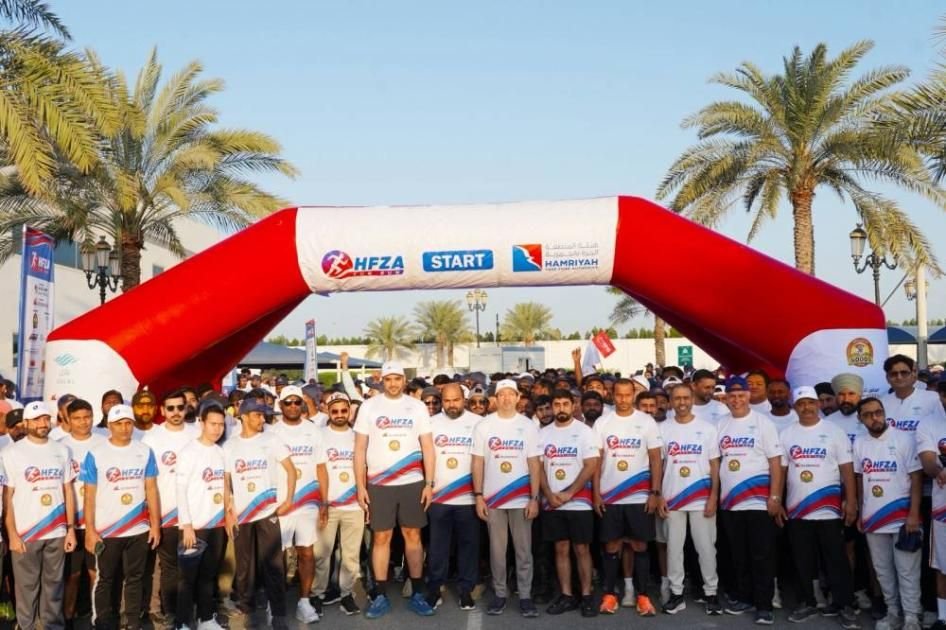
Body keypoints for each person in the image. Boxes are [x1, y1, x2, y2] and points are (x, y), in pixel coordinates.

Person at [353, 362, 436, 619]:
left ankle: (418, 593)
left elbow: (428, 447)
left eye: (397, 379)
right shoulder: (369, 407)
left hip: (412, 482)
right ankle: (379, 595)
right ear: (382, 381)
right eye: (388, 379)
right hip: (379, 484)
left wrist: (429, 483)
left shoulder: (417, 406)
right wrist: (360, 485)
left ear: (404, 380)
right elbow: (359, 449)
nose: (392, 383)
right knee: (381, 538)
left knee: (413, 536)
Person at [779, 386, 859, 628]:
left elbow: (847, 470)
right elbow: (781, 471)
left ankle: (844, 604)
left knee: (836, 558)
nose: (806, 407)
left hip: (829, 509)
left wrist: (851, 501)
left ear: (818, 404)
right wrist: (778, 501)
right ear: (795, 407)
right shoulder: (786, 434)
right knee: (802, 560)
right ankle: (808, 602)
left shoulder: (834, 431)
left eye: (810, 402)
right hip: (797, 509)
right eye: (801, 403)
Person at [82, 404, 161, 630]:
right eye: (119, 424)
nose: (124, 428)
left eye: (128, 423)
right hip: (107, 531)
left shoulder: (144, 451)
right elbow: (89, 496)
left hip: (138, 529)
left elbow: (151, 489)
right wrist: (90, 530)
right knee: (106, 578)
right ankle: (103, 623)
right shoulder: (96, 453)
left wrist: (155, 525)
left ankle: (133, 622)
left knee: (135, 578)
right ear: (109, 425)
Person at [2, 401, 77, 630]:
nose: (42, 424)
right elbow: (7, 498)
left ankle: (52, 625)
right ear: (26, 423)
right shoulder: (11, 453)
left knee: (54, 586)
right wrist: (12, 535)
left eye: (45, 418)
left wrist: (70, 529)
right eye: (36, 420)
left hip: (57, 531)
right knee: (26, 587)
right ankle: (27, 625)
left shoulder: (62, 450)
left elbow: (68, 491)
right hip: (26, 533)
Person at [593, 378, 664, 617]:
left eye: (627, 394)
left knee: (639, 545)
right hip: (610, 496)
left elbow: (656, 459)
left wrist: (655, 492)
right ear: (612, 395)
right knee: (611, 546)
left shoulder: (646, 421)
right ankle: (610, 595)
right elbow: (596, 461)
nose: (623, 399)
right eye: (619, 395)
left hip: (639, 496)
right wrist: (596, 494)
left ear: (633, 395)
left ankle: (642, 596)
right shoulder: (603, 422)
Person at [222, 397, 296, 630]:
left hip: (267, 512)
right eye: (257, 415)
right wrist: (228, 511)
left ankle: (279, 614)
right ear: (243, 417)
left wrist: (288, 501)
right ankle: (249, 610)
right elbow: (226, 481)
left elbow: (291, 471)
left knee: (274, 565)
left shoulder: (271, 440)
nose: (262, 419)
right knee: (245, 567)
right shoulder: (230, 446)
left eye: (263, 415)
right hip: (242, 515)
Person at [472, 379, 542, 617]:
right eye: (502, 394)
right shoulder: (484, 425)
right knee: (497, 551)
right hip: (493, 499)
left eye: (511, 394)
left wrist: (534, 497)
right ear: (496, 398)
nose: (506, 399)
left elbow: (534, 463)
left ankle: (525, 596)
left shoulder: (528, 425)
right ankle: (500, 594)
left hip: (522, 498)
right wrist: (479, 496)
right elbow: (478, 462)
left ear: (518, 397)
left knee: (523, 551)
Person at [716, 375, 783, 625]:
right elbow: (716, 462)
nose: (736, 400)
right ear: (726, 398)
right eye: (731, 396)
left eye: (740, 395)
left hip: (758, 500)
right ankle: (744, 598)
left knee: (761, 554)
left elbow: (775, 462)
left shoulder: (763, 423)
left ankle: (764, 605)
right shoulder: (721, 424)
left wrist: (775, 496)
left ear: (748, 396)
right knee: (738, 554)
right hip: (730, 502)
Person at [854, 396, 923, 630]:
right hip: (873, 518)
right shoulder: (859, 443)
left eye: (878, 412)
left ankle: (912, 617)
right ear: (860, 419)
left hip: (903, 518)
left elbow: (916, 477)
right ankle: (893, 613)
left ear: (884, 413)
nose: (874, 418)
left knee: (907, 571)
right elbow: (860, 479)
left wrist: (914, 514)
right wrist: (861, 513)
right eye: (867, 415)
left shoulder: (904, 439)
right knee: (883, 571)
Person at [659, 383, 721, 615]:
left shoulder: (707, 429)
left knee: (706, 548)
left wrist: (714, 496)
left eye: (686, 398)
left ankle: (711, 593)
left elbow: (715, 466)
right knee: (674, 549)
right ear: (671, 401)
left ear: (692, 399)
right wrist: (659, 495)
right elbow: (660, 465)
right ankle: (677, 594)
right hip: (672, 498)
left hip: (701, 498)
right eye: (677, 398)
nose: (682, 402)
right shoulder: (663, 428)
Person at [538, 389, 599, 617]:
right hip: (552, 501)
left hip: (579, 502)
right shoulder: (542, 434)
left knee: (581, 549)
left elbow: (591, 465)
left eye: (565, 403)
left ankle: (587, 595)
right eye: (557, 404)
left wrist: (570, 493)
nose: (561, 408)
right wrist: (548, 493)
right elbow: (538, 467)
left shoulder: (584, 432)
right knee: (560, 548)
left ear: (574, 406)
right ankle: (566, 595)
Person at [141, 389, 199, 629]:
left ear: (186, 409)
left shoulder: (197, 433)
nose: (176, 412)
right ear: (162, 411)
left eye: (180, 407)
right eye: (171, 408)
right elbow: (147, 482)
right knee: (169, 568)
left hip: (195, 515)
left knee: (193, 567)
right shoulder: (151, 439)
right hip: (165, 514)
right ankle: (173, 614)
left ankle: (190, 612)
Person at [269, 385, 328, 624]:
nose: (293, 406)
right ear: (280, 405)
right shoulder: (272, 432)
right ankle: (276, 604)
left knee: (306, 552)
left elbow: (321, 468)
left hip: (308, 501)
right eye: (288, 402)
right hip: (281, 503)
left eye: (296, 402)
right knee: (278, 555)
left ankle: (304, 602)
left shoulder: (313, 431)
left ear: (302, 404)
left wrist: (324, 502)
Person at [425, 382, 481, 611]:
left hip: (468, 497)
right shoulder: (431, 423)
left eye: (456, 400)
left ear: (464, 400)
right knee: (438, 547)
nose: (451, 405)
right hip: (439, 497)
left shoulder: (478, 423)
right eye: (447, 401)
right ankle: (435, 588)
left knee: (468, 546)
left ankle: (466, 590)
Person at [174, 402, 228, 630]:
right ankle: (181, 623)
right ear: (202, 423)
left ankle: (206, 619)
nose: (217, 429)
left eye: (221, 425)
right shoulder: (189, 452)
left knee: (208, 576)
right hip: (194, 527)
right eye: (213, 424)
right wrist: (187, 525)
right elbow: (180, 490)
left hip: (217, 524)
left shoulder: (221, 452)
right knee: (188, 579)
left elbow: (226, 488)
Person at [313, 393, 363, 616]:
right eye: (335, 411)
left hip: (354, 505)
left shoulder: (358, 436)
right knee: (321, 555)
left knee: (351, 556)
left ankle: (346, 595)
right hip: (328, 505)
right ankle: (317, 594)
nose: (340, 415)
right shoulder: (319, 435)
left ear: (349, 411)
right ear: (328, 411)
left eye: (344, 410)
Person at [60, 398, 106, 627]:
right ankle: (68, 618)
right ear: (68, 420)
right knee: (72, 575)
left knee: (95, 573)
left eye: (87, 417)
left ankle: (97, 618)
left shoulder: (104, 443)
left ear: (93, 417)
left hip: (97, 522)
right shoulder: (60, 446)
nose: (83, 422)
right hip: (70, 523)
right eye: (77, 418)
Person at [915, 393, 946, 630]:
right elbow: (927, 462)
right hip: (942, 506)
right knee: (943, 564)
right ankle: (943, 617)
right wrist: (937, 469)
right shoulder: (929, 423)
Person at [882, 355, 946, 434]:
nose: (899, 377)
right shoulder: (881, 403)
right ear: (887, 378)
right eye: (893, 374)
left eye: (904, 373)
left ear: (913, 375)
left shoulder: (933, 398)